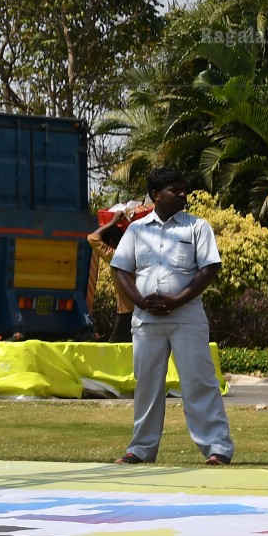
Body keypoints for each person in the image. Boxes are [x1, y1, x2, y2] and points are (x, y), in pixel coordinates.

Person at [106, 169, 233, 466]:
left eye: (183, 189)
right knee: (147, 385)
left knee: (198, 382)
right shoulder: (137, 230)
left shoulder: (197, 227)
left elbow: (209, 269)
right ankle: (140, 450)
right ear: (155, 195)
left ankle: (218, 448)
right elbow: (120, 269)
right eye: (174, 190)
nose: (182, 194)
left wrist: (177, 299)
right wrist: (140, 302)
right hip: (146, 321)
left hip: (187, 318)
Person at [86, 203, 140, 342]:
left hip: (127, 312)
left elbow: (92, 238)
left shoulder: (116, 257)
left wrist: (112, 222)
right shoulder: (137, 254)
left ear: (110, 242)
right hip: (142, 310)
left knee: (116, 348)